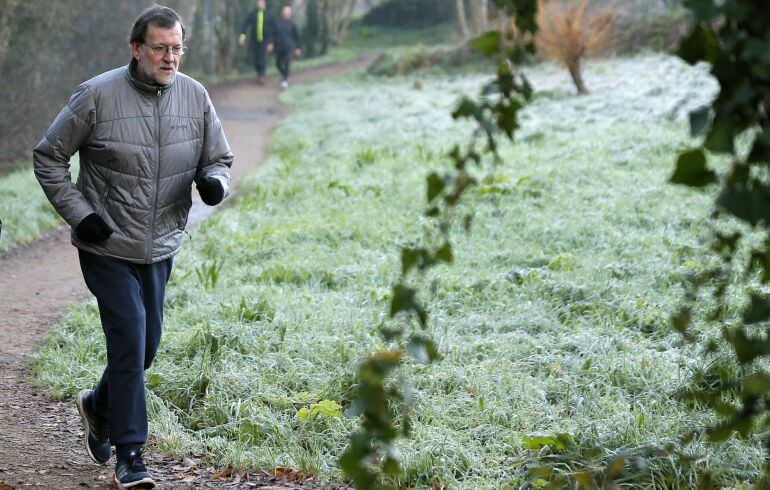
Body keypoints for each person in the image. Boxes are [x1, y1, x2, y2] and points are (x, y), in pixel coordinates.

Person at [33, 4, 233, 489]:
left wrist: (214, 183)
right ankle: (131, 455)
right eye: (160, 48)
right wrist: (83, 215)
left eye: (177, 48)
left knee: (144, 350)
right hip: (106, 244)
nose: (170, 58)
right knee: (128, 338)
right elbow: (49, 157)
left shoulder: (194, 96)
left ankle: (96, 407)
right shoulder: (96, 95)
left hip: (161, 245)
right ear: (137, 49)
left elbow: (221, 158)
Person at [239, 0, 274, 85]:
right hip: (254, 41)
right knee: (256, 58)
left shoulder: (269, 13)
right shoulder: (253, 13)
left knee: (262, 58)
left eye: (261, 2)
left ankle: (262, 76)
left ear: (264, 2)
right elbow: (246, 24)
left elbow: (273, 29)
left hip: (265, 40)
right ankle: (259, 74)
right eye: (258, 2)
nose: (259, 3)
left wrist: (271, 42)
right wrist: (242, 37)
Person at [273, 5, 301, 89]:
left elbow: (297, 37)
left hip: (289, 47)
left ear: (290, 14)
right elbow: (274, 34)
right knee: (277, 63)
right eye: (285, 12)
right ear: (282, 13)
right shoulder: (278, 23)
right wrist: (272, 44)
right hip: (279, 47)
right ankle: (285, 73)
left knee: (286, 62)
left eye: (288, 12)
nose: (286, 14)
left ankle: (285, 80)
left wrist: (298, 48)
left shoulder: (293, 24)